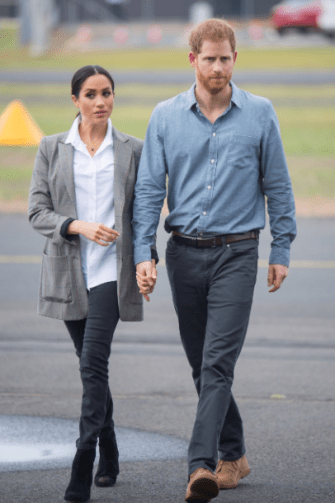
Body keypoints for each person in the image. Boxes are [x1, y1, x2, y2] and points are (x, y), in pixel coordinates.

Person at [133, 19, 296, 502]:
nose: (218, 67)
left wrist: (281, 248)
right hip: (183, 253)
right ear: (193, 60)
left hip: (238, 254)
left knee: (218, 363)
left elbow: (279, 188)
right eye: (210, 59)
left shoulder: (261, 114)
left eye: (226, 58)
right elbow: (147, 191)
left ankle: (202, 466)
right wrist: (145, 252)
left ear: (235, 59)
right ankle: (236, 450)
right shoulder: (164, 117)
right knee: (201, 367)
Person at [28, 65, 157, 503]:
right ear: (75, 100)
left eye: (107, 93)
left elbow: (144, 214)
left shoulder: (133, 149)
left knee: (92, 364)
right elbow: (37, 212)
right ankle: (112, 452)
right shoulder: (51, 148)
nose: (100, 101)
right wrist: (77, 225)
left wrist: (147, 257)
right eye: (90, 94)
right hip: (68, 273)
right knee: (91, 366)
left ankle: (82, 461)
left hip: (111, 274)